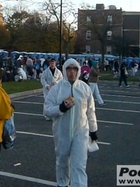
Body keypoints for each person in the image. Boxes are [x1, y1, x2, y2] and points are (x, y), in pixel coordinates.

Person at [44, 58, 98, 187]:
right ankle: (62, 183)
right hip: (62, 131)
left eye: (74, 69)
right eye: (69, 69)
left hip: (81, 131)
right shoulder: (57, 89)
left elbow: (90, 111)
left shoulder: (85, 88)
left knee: (79, 163)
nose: (72, 72)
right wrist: (61, 108)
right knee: (62, 161)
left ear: (78, 70)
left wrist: (93, 130)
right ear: (64, 70)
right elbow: (47, 110)